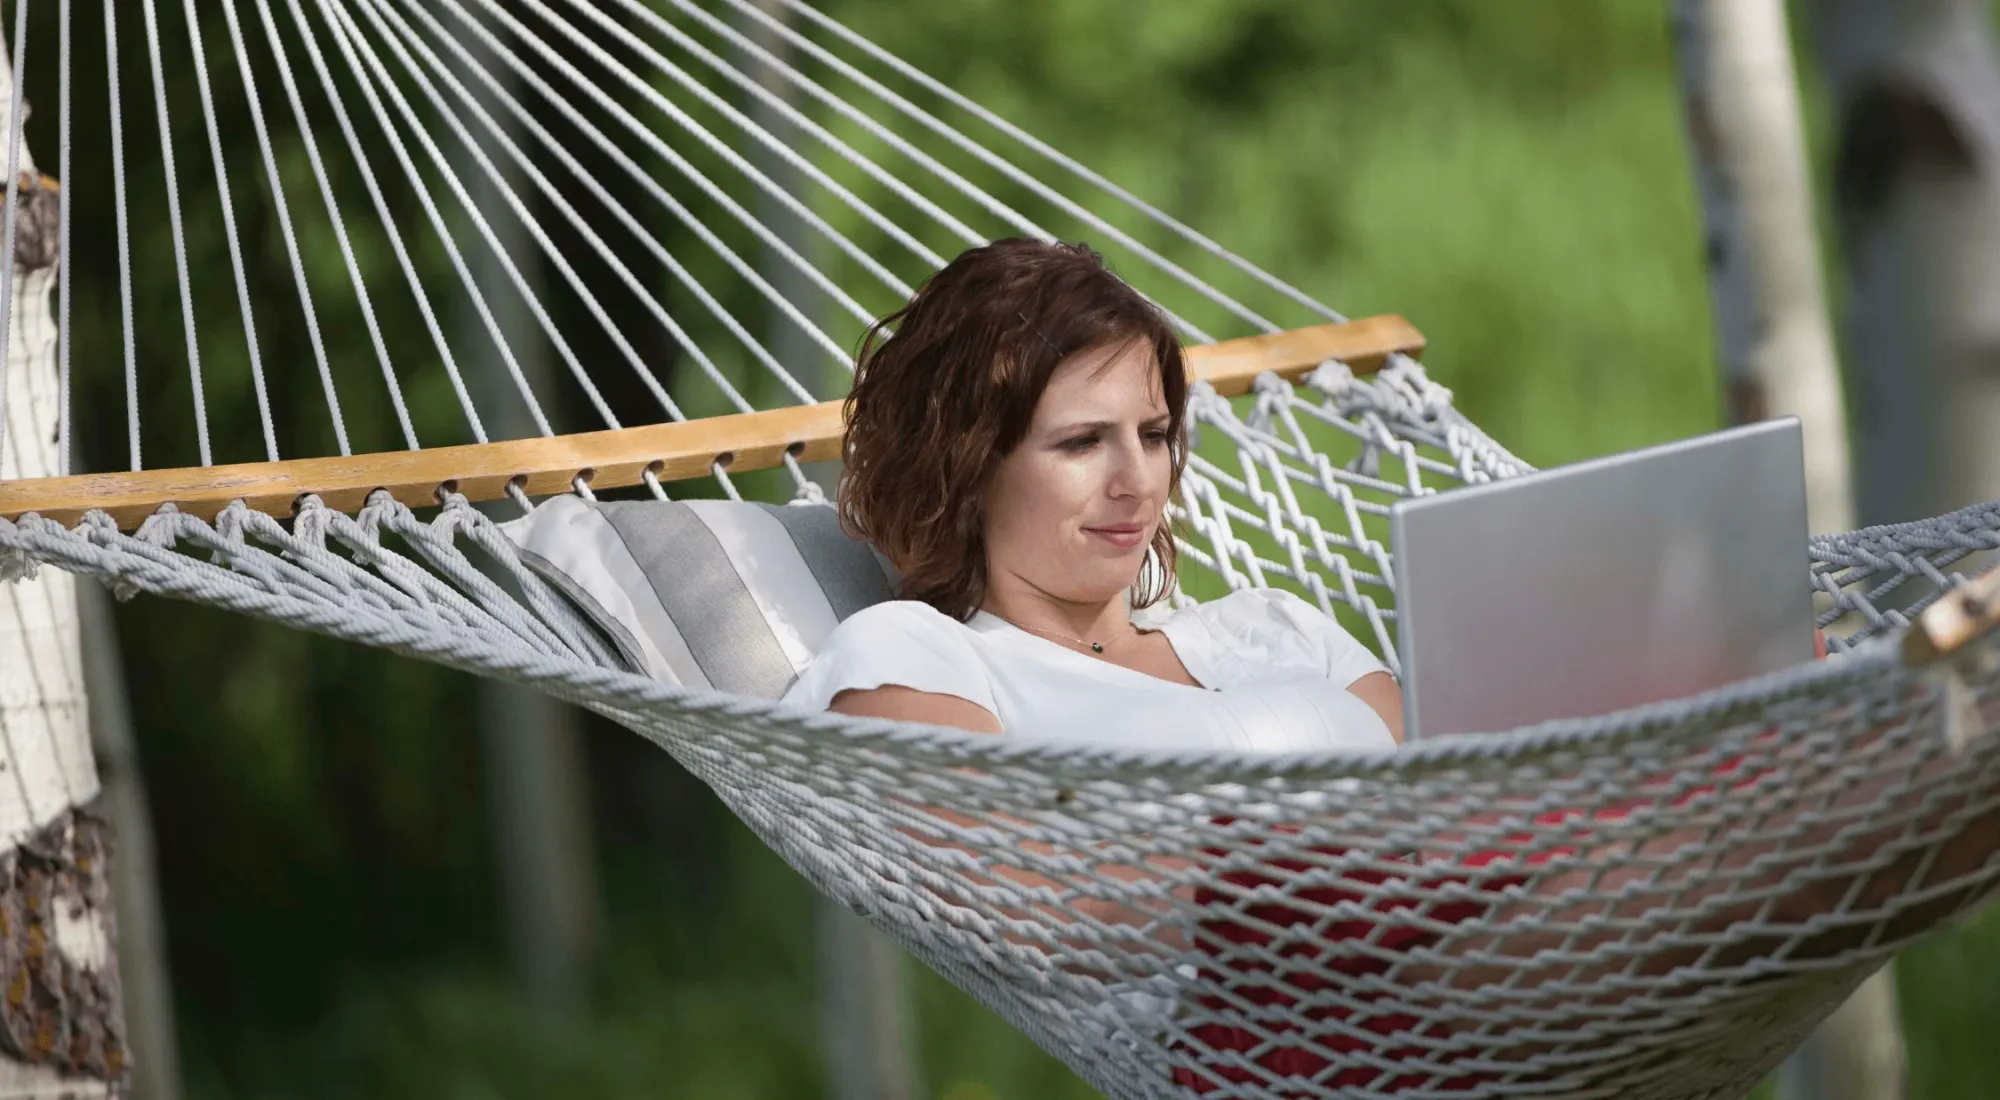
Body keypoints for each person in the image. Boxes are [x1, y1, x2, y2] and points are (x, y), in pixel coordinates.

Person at [783, 238, 2000, 1092]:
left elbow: (1464, 773)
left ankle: (1828, 708)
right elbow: (1006, 889)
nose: (1136, 480)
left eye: (1154, 434)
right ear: (970, 460)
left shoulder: (1266, 624)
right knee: (1887, 766)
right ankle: (1869, 714)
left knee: (1915, 795)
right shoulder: (920, 651)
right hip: (1308, 1021)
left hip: (1508, 913)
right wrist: (1313, 858)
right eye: (1080, 442)